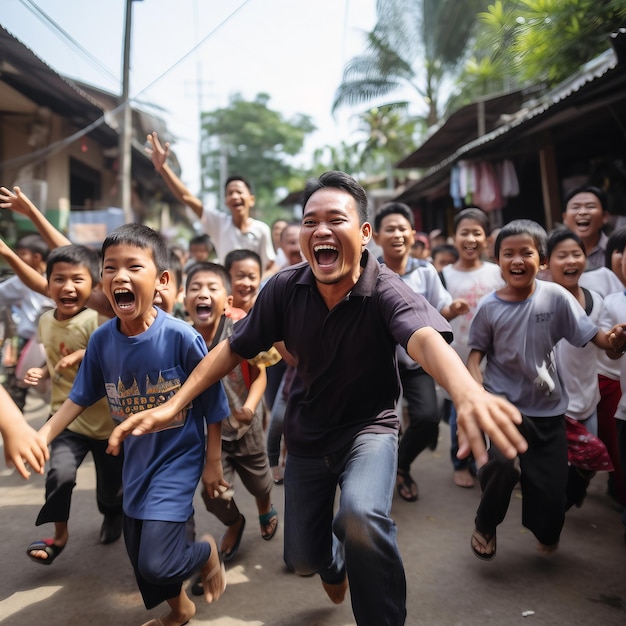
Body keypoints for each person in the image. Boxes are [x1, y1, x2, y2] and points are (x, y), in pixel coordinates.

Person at [105, 171, 528, 626]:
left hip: (370, 430)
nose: (321, 231)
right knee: (305, 560)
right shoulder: (286, 287)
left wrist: (466, 392)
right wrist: (175, 403)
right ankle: (335, 562)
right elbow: (233, 349)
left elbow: (425, 339)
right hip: (306, 439)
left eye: (335, 220)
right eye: (310, 222)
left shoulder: (385, 288)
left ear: (364, 234)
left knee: (361, 517)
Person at [7, 224, 230, 625]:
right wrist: (41, 436)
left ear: (161, 280)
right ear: (102, 280)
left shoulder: (182, 338)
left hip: (177, 465)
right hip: (136, 464)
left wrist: (212, 463)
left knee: (159, 563)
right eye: (110, 268)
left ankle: (205, 552)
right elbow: (79, 396)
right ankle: (180, 611)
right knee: (140, 558)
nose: (120, 277)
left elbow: (214, 403)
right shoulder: (102, 340)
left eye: (133, 267)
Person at [467, 219, 626, 561]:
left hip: (550, 410)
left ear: (540, 261)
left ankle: (546, 529)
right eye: (508, 253)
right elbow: (475, 357)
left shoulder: (556, 297)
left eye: (526, 252)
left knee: (551, 497)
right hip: (504, 407)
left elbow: (594, 338)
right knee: (503, 466)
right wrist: (477, 393)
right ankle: (486, 521)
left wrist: (614, 341)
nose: (517, 259)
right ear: (498, 261)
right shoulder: (489, 307)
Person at [23, 245, 124, 564]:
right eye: (59, 279)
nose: (67, 287)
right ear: (47, 283)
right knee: (60, 476)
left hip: (109, 423)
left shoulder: (101, 319)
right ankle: (59, 536)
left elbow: (112, 356)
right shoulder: (44, 322)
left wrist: (85, 355)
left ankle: (112, 515)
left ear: (93, 285)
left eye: (77, 279)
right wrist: (41, 370)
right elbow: (52, 360)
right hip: (65, 419)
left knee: (111, 490)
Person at [182, 262, 276, 595]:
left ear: (226, 301)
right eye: (195, 287)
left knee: (261, 482)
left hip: (246, 426)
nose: (203, 294)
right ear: (184, 298)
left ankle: (265, 506)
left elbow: (262, 373)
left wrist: (250, 407)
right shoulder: (181, 337)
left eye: (212, 288)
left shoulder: (242, 328)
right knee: (214, 496)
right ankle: (235, 522)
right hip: (209, 436)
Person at [373, 202, 469, 502]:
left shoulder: (425, 271)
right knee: (383, 426)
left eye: (403, 228)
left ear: (413, 234)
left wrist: (452, 310)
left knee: (428, 419)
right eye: (390, 229)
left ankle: (400, 466)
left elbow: (439, 313)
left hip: (417, 363)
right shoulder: (368, 270)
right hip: (379, 364)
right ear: (376, 236)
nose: (397, 234)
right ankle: (380, 478)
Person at [146, 131, 277, 275]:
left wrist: (259, 286)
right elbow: (187, 197)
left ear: (251, 199)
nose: (235, 196)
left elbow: (270, 265)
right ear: (226, 201)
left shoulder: (261, 230)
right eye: (230, 193)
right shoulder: (219, 223)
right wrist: (163, 168)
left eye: (239, 192)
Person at [546, 229, 614, 509]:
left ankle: (570, 497)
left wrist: (616, 341)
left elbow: (607, 345)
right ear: (547, 263)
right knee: (556, 470)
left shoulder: (597, 300)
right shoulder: (541, 300)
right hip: (553, 405)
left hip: (588, 399)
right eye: (561, 256)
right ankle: (553, 515)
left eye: (576, 254)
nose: (570, 261)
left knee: (589, 462)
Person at [441, 207, 505, 488]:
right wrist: (450, 312)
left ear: (487, 239)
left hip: (495, 356)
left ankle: (495, 459)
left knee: (495, 408)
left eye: (476, 233)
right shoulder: (444, 275)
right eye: (464, 232)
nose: (470, 238)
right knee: (460, 412)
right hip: (458, 356)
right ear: (454, 238)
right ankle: (461, 462)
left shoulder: (497, 272)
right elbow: (433, 314)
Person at [0, 233, 54, 409]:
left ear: (37, 257)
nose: (18, 258)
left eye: (22, 253)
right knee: (16, 389)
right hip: (26, 342)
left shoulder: (57, 277)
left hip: (53, 342)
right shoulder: (19, 281)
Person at [598, 234, 626, 538]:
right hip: (620, 401)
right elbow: (611, 349)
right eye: (619, 252)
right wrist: (617, 343)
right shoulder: (613, 302)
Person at [562, 185, 610, 271]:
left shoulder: (615, 251)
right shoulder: (553, 254)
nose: (582, 212)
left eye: (590, 206)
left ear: (604, 216)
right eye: (575, 207)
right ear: (565, 218)